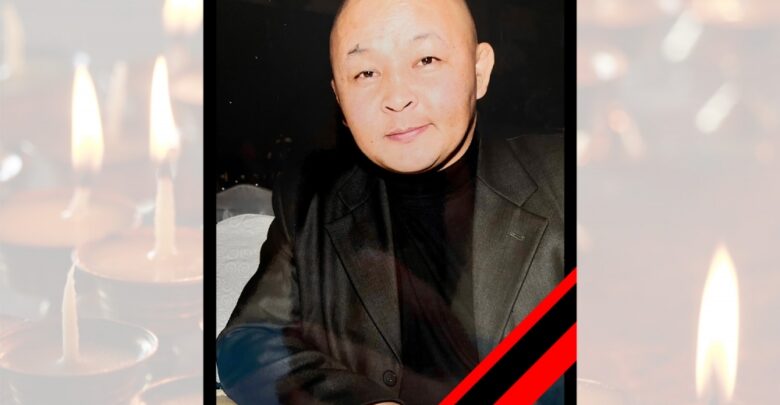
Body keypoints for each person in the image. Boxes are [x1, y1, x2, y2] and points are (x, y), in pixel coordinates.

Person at [216, 0, 564, 403]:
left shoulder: (569, 179)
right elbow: (249, 340)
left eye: (426, 60)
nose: (397, 97)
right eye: (366, 73)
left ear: (479, 70)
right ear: (339, 98)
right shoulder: (311, 200)